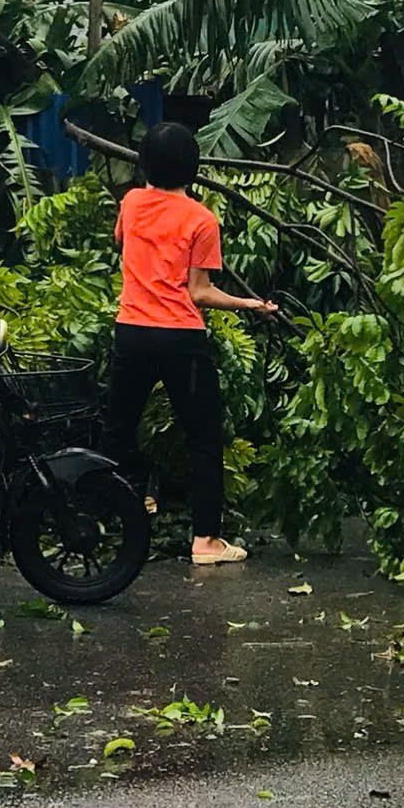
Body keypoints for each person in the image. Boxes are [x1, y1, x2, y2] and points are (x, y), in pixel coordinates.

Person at [105, 121, 277, 566]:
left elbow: (120, 241)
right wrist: (250, 303)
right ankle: (206, 541)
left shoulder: (131, 202)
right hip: (181, 339)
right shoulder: (202, 219)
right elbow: (199, 292)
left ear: (145, 163)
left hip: (132, 332)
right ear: (193, 168)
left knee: (117, 432)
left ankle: (115, 523)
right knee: (203, 439)